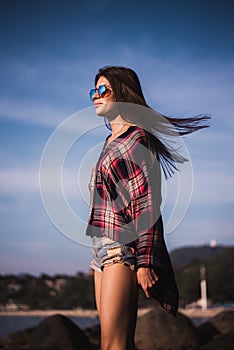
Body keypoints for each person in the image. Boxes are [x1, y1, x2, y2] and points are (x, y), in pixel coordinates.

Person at [86, 66, 210, 350]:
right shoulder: (109, 141)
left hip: (121, 246)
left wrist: (145, 261)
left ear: (123, 93)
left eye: (103, 89)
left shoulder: (137, 139)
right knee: (110, 344)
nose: (95, 95)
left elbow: (147, 203)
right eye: (93, 90)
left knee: (115, 345)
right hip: (99, 249)